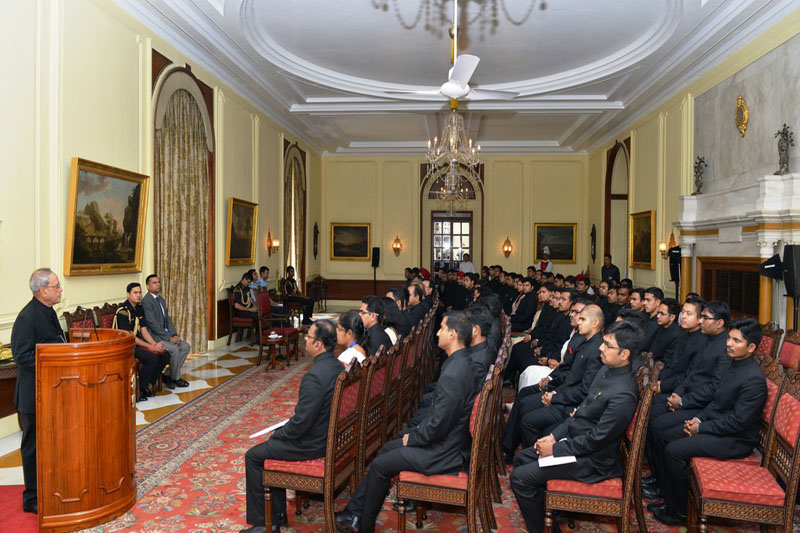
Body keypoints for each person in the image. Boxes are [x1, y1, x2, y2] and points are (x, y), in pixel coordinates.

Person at [334, 311, 479, 533]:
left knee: (380, 465)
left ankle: (363, 524)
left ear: (452, 334)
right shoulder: (463, 362)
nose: (437, 333)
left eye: (441, 328)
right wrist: (414, 435)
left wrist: (412, 438)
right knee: (386, 450)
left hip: (442, 453)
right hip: (448, 442)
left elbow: (438, 426)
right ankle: (354, 514)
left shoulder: (454, 372)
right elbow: (441, 418)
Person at [510, 320, 640, 533]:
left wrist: (555, 449)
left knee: (519, 478)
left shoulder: (624, 394)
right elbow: (581, 412)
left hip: (592, 461)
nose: (601, 348)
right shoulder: (606, 370)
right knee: (521, 458)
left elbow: (597, 439)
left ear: (624, 354)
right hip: (577, 442)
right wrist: (554, 436)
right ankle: (549, 515)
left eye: (608, 345)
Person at [647, 318, 766, 526]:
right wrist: (698, 418)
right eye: (729, 338)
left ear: (751, 347)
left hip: (736, 439)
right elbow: (717, 402)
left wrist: (701, 428)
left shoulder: (753, 379)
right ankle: (668, 497)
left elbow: (738, 422)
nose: (729, 344)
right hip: (717, 424)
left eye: (736, 341)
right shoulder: (734, 364)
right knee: (665, 435)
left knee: (674, 451)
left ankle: (681, 511)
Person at [240, 320, 342, 533]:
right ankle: (276, 516)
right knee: (273, 443)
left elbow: (301, 423)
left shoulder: (315, 376)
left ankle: (264, 524)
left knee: (254, 456)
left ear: (318, 344)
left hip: (312, 444)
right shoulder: (337, 366)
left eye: (308, 337)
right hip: (327, 435)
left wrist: (280, 434)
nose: (305, 339)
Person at [10, 268, 67, 514]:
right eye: (56, 286)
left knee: (52, 443)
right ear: (42, 290)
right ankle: (31, 497)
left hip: (52, 391)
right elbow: (22, 356)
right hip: (33, 395)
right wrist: (53, 363)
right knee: (33, 446)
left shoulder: (49, 311)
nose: (60, 290)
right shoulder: (27, 317)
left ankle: (50, 485)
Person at [113, 282, 170, 401]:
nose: (138, 295)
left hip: (138, 343)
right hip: (127, 346)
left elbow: (144, 330)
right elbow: (130, 337)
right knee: (152, 358)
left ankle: (149, 383)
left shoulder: (139, 308)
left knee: (165, 354)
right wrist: (150, 347)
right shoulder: (123, 311)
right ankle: (141, 389)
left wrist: (154, 344)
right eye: (135, 293)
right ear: (128, 294)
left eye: (140, 292)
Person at [141, 274, 191, 389]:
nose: (158, 284)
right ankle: (176, 378)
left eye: (158, 282)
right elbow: (153, 324)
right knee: (174, 349)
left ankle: (168, 375)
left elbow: (167, 319)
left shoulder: (161, 300)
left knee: (185, 346)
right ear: (148, 286)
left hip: (167, 335)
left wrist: (174, 335)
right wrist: (169, 338)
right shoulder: (146, 301)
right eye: (154, 283)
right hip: (155, 337)